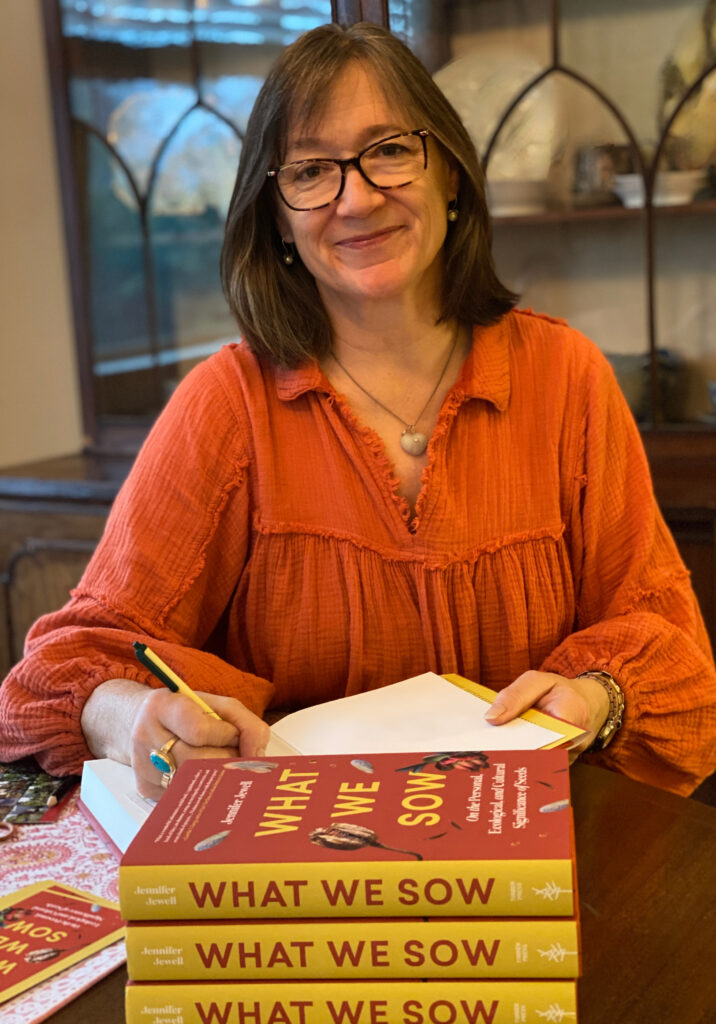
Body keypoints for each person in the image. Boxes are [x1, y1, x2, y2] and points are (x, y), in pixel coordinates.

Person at [1, 22, 715, 800]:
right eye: (311, 170)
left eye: (390, 150)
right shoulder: (227, 404)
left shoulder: (566, 378)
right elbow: (62, 669)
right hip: (298, 863)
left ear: (448, 171)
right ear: (277, 215)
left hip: (536, 843)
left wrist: (596, 699)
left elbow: (671, 648)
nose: (357, 197)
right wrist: (127, 714)